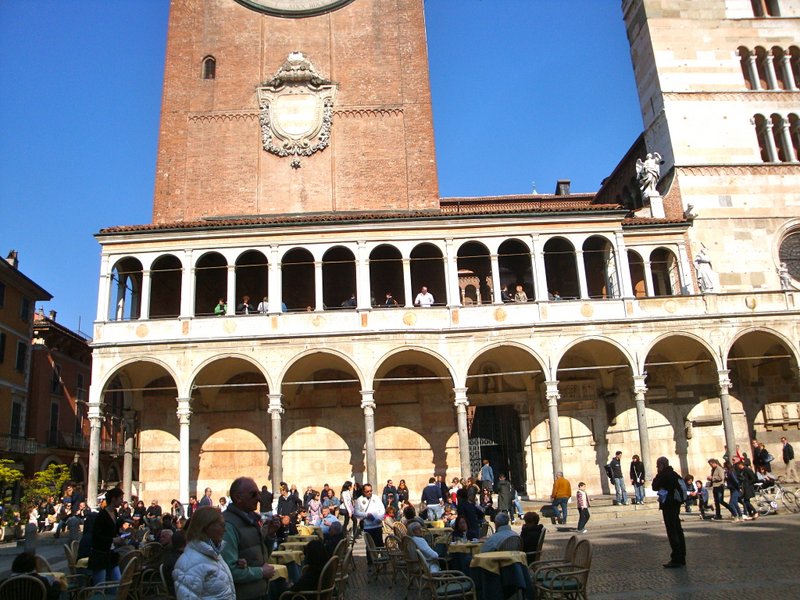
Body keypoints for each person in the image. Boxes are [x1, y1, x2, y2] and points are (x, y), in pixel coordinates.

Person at [221, 477, 275, 600]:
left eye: (259, 494)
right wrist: (261, 572)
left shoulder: (251, 520)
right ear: (238, 497)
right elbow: (229, 570)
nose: (259, 498)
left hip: (259, 592)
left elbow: (261, 558)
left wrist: (270, 535)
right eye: (253, 494)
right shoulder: (228, 525)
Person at [173, 506, 235, 600]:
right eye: (221, 525)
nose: (224, 530)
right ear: (206, 527)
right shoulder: (189, 563)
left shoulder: (213, 554)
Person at [652, 456, 686, 568]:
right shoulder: (674, 474)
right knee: (678, 530)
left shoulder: (664, 475)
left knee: (672, 532)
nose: (657, 467)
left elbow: (654, 486)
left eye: (658, 465)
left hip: (668, 505)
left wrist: (658, 473)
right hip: (676, 504)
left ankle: (676, 558)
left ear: (661, 465)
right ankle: (682, 557)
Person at [89, 487, 124, 584]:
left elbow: (112, 530)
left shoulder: (115, 512)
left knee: (117, 581)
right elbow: (96, 536)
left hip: (110, 553)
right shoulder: (102, 515)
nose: (122, 501)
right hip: (100, 554)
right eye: (120, 498)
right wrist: (113, 540)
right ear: (113, 499)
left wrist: (121, 533)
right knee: (100, 584)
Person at [353, 483, 385, 566]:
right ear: (363, 492)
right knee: (369, 545)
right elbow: (356, 512)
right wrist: (366, 515)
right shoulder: (359, 500)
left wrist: (380, 518)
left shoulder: (376, 498)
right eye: (367, 491)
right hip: (368, 527)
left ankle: (382, 561)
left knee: (379, 544)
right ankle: (370, 562)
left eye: (371, 491)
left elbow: (382, 509)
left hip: (377, 525)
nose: (369, 492)